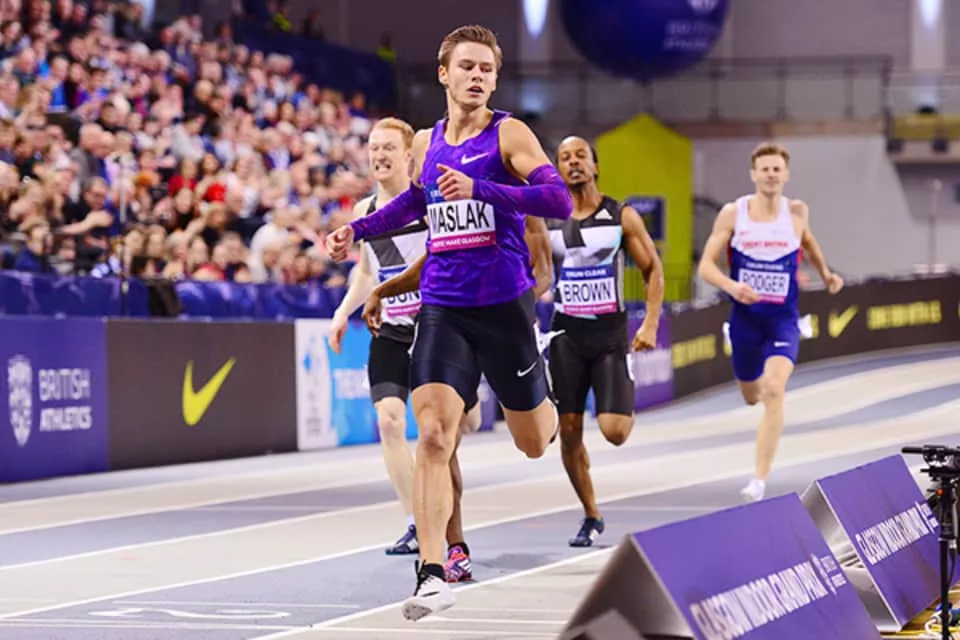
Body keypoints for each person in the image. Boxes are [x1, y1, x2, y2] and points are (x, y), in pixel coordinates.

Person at [326, 24, 573, 621]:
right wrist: (356, 230)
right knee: (434, 435)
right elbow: (417, 202)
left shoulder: (508, 133)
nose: (477, 76)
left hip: (504, 306)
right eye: (467, 66)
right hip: (442, 306)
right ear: (444, 74)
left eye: (486, 68)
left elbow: (559, 200)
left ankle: (542, 394)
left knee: (534, 442)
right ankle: (433, 573)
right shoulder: (426, 141)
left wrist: (484, 190)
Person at [361, 211, 552, 582]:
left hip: (493, 318)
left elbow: (541, 268)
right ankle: (444, 557)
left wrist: (518, 313)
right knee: (433, 437)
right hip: (430, 325)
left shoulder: (511, 193)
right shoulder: (412, 198)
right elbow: (394, 265)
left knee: (528, 441)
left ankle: (540, 405)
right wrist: (370, 296)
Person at [327, 117, 482, 573]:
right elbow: (367, 271)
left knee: (463, 427)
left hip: (437, 326)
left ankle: (435, 511)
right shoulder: (364, 211)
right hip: (392, 330)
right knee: (390, 422)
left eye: (388, 148)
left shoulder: (428, 203)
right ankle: (419, 521)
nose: (379, 155)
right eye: (373, 147)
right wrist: (343, 312)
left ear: (408, 156)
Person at [697, 142, 843, 503]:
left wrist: (826, 273)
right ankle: (742, 357)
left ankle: (758, 481)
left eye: (777, 169)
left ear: (786, 174)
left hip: (783, 320)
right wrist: (732, 286)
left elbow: (808, 242)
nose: (771, 175)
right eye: (765, 169)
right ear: (754, 174)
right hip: (745, 321)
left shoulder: (796, 212)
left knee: (775, 390)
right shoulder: (734, 213)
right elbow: (706, 267)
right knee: (751, 396)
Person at [547, 136, 664, 547]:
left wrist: (650, 323)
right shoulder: (548, 221)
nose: (573, 163)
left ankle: (616, 397)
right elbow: (533, 271)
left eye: (581, 156)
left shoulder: (621, 216)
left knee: (615, 431)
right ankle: (591, 513)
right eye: (565, 158)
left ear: (595, 166)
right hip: (565, 333)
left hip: (609, 334)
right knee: (569, 430)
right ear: (558, 170)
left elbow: (653, 269)